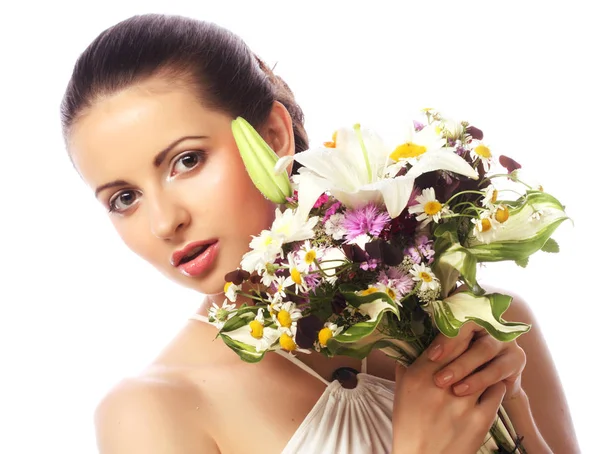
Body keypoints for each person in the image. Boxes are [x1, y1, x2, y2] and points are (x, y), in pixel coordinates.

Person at [60, 13, 579, 454]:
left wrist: (517, 420)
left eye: (186, 161)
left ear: (273, 136)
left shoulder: (486, 324)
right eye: (124, 198)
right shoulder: (149, 412)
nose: (163, 221)